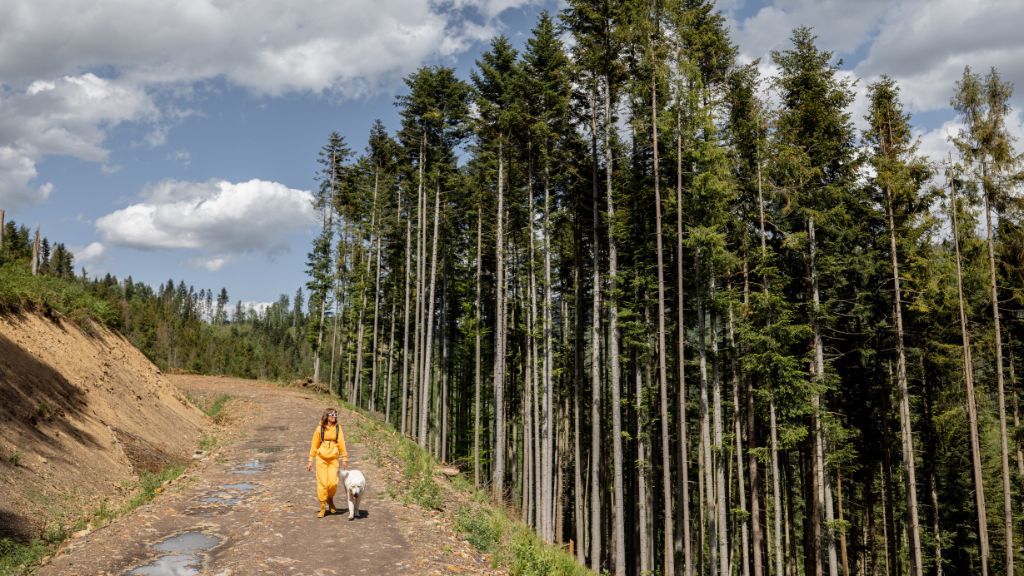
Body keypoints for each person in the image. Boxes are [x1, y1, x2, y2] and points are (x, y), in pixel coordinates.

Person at [307, 407, 348, 517]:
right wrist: (310, 460)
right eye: (332, 415)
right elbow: (314, 445)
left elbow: (342, 443)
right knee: (322, 483)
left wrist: (344, 458)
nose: (334, 417)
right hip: (321, 459)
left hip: (333, 459)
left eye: (335, 415)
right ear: (327, 416)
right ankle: (323, 506)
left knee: (333, 483)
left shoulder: (338, 428)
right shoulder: (319, 429)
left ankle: (330, 499)